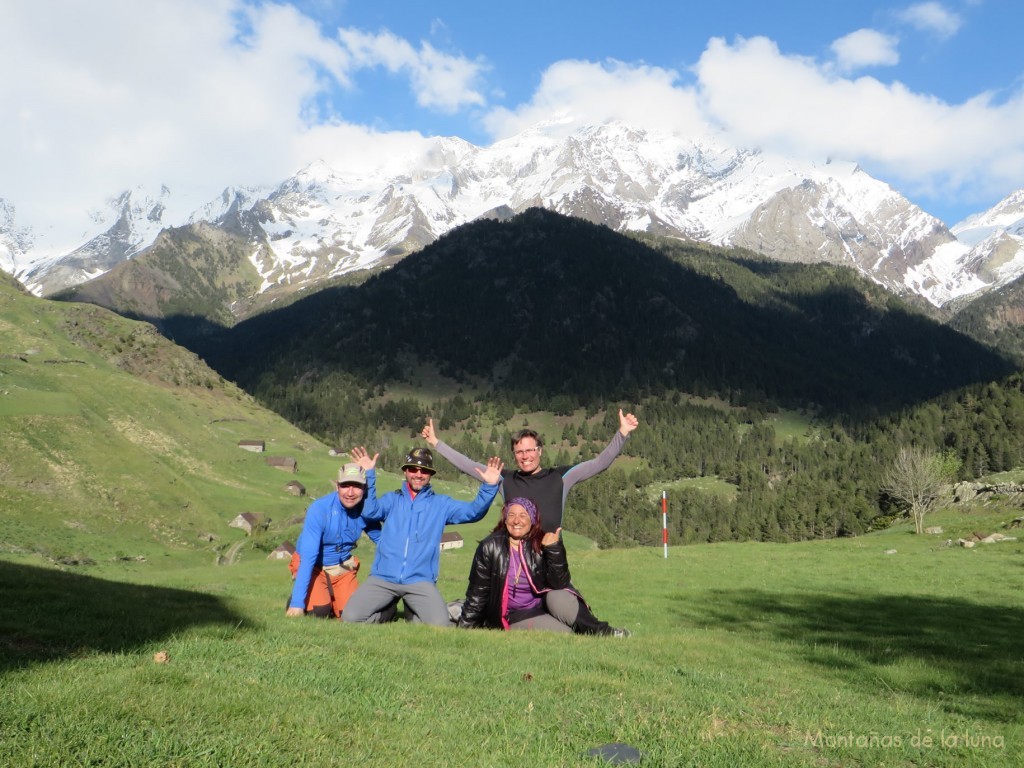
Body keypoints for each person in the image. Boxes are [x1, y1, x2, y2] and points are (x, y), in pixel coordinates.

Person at [423, 408, 639, 636]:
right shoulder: (505, 480)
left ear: (540, 451)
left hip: (550, 565)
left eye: (529, 450)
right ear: (514, 455)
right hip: (516, 567)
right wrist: (436, 443)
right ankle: (476, 610)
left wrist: (622, 433)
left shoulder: (560, 477)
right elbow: (468, 465)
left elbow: (599, 463)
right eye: (519, 452)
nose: (525, 456)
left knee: (561, 601)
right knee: (550, 625)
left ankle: (605, 633)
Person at [341, 446, 504, 627]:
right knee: (350, 617)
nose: (418, 474)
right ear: (405, 471)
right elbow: (370, 512)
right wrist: (369, 474)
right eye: (413, 469)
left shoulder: (441, 504)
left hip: (420, 581)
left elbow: (473, 512)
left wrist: (489, 486)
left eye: (424, 470)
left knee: (439, 626)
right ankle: (387, 612)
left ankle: (413, 613)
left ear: (430, 475)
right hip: (383, 578)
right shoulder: (392, 500)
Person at [458, 497, 628, 636]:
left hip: (544, 604)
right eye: (511, 515)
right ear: (505, 518)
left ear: (532, 520)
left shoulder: (541, 543)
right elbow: (477, 594)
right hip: (514, 614)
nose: (516, 520)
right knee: (567, 636)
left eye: (523, 515)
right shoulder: (490, 547)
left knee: (559, 596)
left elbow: (559, 583)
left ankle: (605, 633)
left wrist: (554, 549)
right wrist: (465, 631)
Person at [285, 462, 381, 619]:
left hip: (342, 568)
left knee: (350, 615)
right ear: (337, 486)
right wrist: (297, 604)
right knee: (318, 612)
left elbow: (383, 541)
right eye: (345, 485)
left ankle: (331, 598)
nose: (350, 492)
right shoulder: (319, 509)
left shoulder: (365, 511)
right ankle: (302, 598)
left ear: (364, 489)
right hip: (315, 565)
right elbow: (308, 556)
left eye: (356, 486)